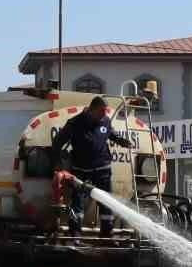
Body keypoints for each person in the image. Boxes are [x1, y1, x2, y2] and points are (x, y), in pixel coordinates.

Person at [52, 97, 133, 235]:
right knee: (77, 203)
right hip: (80, 170)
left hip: (102, 168)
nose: (104, 115)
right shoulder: (74, 123)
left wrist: (121, 140)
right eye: (101, 111)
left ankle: (107, 233)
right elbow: (58, 142)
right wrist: (58, 162)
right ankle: (75, 234)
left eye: (105, 112)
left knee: (107, 202)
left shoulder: (105, 121)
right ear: (92, 109)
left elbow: (110, 133)